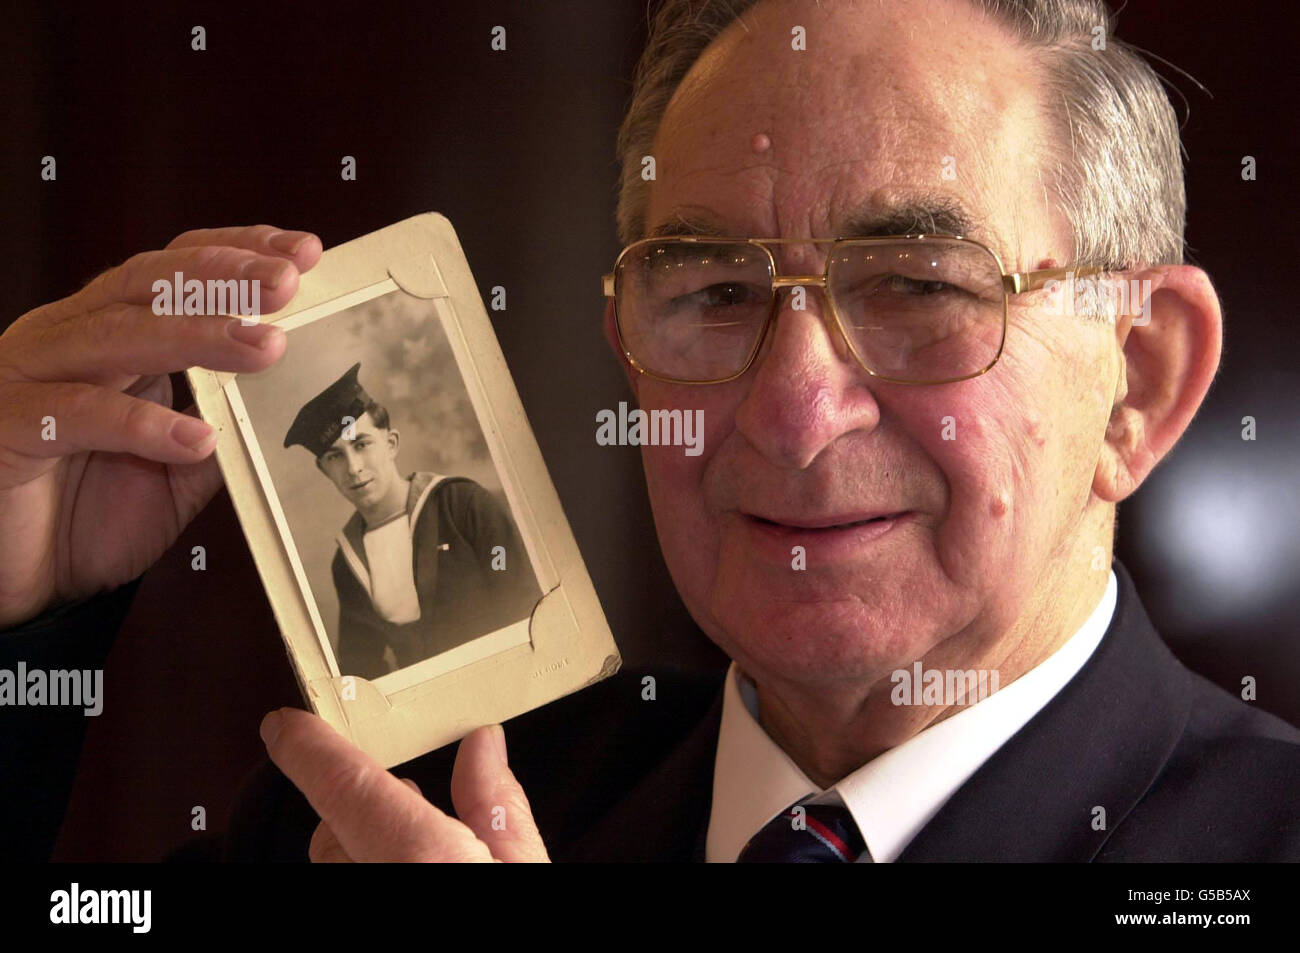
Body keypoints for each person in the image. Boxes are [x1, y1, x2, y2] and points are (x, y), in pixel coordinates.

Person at [2, 0, 1298, 863]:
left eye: (917, 288)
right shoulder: (379, 813)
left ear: (1137, 380)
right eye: (717, 293)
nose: (792, 412)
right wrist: (19, 635)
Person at [283, 362, 541, 680]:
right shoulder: (347, 561)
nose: (353, 468)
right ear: (324, 470)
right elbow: (360, 664)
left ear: (391, 444)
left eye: (361, 445)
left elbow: (525, 601)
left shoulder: (462, 504)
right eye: (335, 456)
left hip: (513, 678)